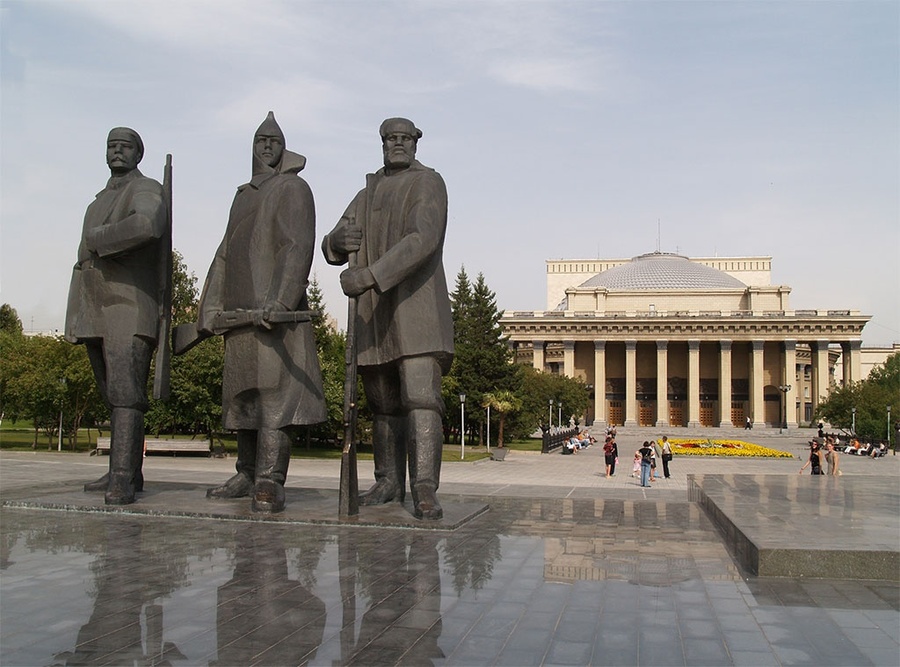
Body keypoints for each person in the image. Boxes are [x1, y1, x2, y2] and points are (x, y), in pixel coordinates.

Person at [323, 117, 453, 520]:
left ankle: (425, 488)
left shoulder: (428, 183)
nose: (396, 144)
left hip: (416, 311)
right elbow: (334, 241)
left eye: (403, 138)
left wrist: (370, 275)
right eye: (388, 139)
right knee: (382, 403)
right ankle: (389, 481)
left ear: (416, 142)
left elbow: (423, 239)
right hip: (375, 319)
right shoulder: (368, 192)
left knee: (420, 398)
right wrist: (335, 243)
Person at [198, 112, 326, 514]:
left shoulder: (292, 188)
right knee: (243, 399)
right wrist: (209, 306)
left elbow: (296, 246)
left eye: (274, 140)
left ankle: (270, 479)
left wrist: (282, 301)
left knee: (274, 402)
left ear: (283, 146)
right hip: (238, 316)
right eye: (260, 140)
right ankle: (246, 472)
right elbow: (224, 254)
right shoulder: (243, 195)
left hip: (272, 316)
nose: (267, 146)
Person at [65, 127, 169, 505]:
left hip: (127, 306)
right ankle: (122, 470)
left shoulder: (146, 188)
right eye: (112, 146)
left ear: (138, 154)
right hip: (94, 308)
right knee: (112, 395)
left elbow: (147, 224)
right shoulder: (99, 199)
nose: (117, 152)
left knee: (126, 395)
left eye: (125, 147)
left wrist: (99, 238)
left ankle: (122, 477)